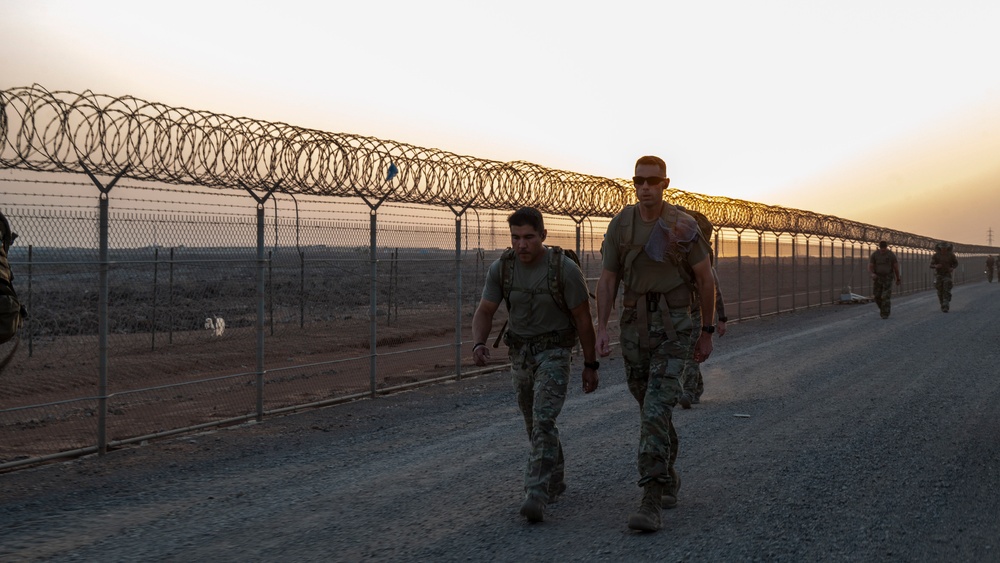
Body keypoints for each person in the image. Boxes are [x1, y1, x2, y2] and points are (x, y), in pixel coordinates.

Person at [596, 155, 715, 532]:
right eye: (639, 180)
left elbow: (705, 279)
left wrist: (707, 331)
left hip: (675, 328)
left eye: (652, 181)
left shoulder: (681, 224)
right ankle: (669, 475)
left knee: (654, 411)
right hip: (634, 329)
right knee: (651, 407)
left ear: (665, 183)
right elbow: (608, 279)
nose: (645, 186)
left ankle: (650, 500)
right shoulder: (621, 225)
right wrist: (602, 326)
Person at [471, 206, 599, 524]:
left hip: (555, 353)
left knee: (543, 421)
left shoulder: (564, 270)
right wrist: (478, 343)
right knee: (534, 425)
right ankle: (554, 478)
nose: (522, 244)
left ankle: (535, 494)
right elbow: (485, 310)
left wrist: (590, 364)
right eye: (516, 238)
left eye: (529, 237)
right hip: (521, 355)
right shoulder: (503, 269)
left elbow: (584, 320)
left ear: (543, 235)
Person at [868, 241, 902, 319]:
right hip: (878, 277)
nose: (883, 250)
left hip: (888, 277)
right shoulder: (875, 255)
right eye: (881, 248)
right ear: (879, 247)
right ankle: (883, 309)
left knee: (885, 296)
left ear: (886, 247)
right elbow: (870, 266)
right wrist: (872, 274)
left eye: (884, 248)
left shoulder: (891, 255)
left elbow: (896, 268)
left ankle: (885, 314)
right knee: (877, 296)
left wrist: (898, 279)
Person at [930, 241, 958, 312]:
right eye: (942, 248)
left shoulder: (951, 255)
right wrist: (936, 266)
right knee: (940, 290)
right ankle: (942, 303)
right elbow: (931, 265)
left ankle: (946, 304)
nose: (943, 249)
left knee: (947, 287)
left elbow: (956, 263)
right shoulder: (936, 256)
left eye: (945, 248)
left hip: (947, 274)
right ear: (940, 248)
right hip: (939, 274)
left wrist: (952, 268)